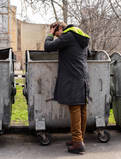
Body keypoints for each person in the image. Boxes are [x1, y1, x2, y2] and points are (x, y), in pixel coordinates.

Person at [44, 22, 90, 154]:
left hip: (73, 77)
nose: (57, 36)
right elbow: (88, 52)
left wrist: (50, 35)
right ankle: (79, 139)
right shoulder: (80, 35)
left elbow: (48, 47)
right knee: (81, 107)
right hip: (83, 76)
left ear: (60, 29)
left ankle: (78, 143)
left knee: (75, 107)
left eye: (55, 31)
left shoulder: (68, 36)